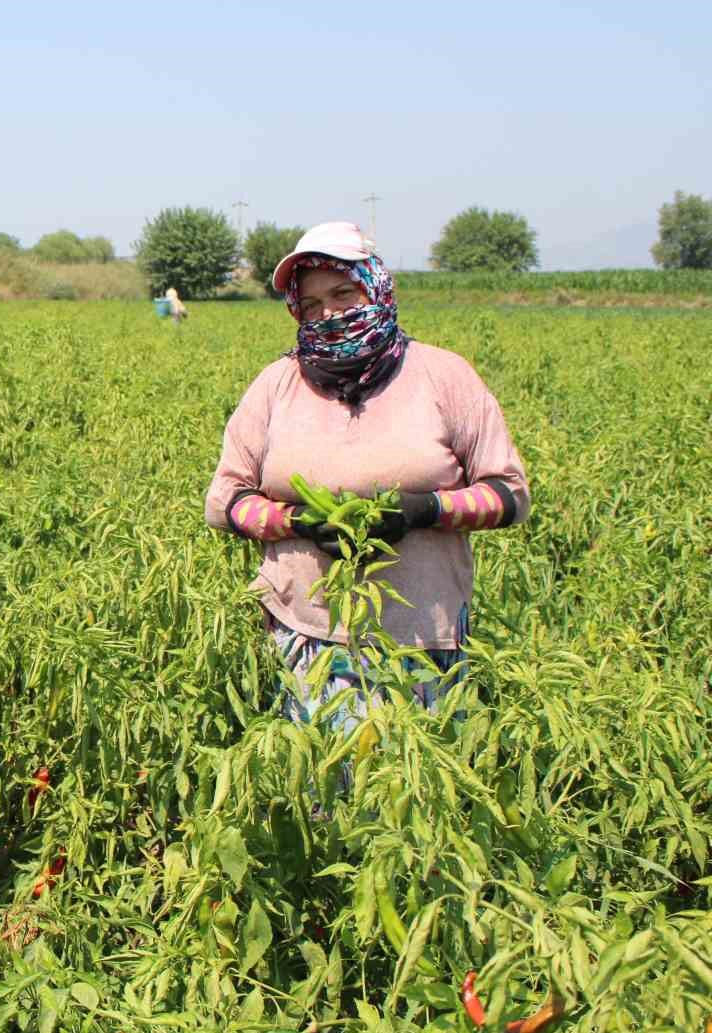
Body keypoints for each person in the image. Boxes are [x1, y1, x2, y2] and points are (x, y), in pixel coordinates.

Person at [203, 221, 529, 729]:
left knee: (417, 784)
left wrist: (426, 510)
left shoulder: (443, 376)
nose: (328, 313)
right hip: (305, 632)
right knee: (318, 785)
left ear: (376, 286)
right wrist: (300, 521)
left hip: (423, 634)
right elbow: (225, 500)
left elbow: (509, 495)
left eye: (342, 293)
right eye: (311, 304)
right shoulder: (277, 385)